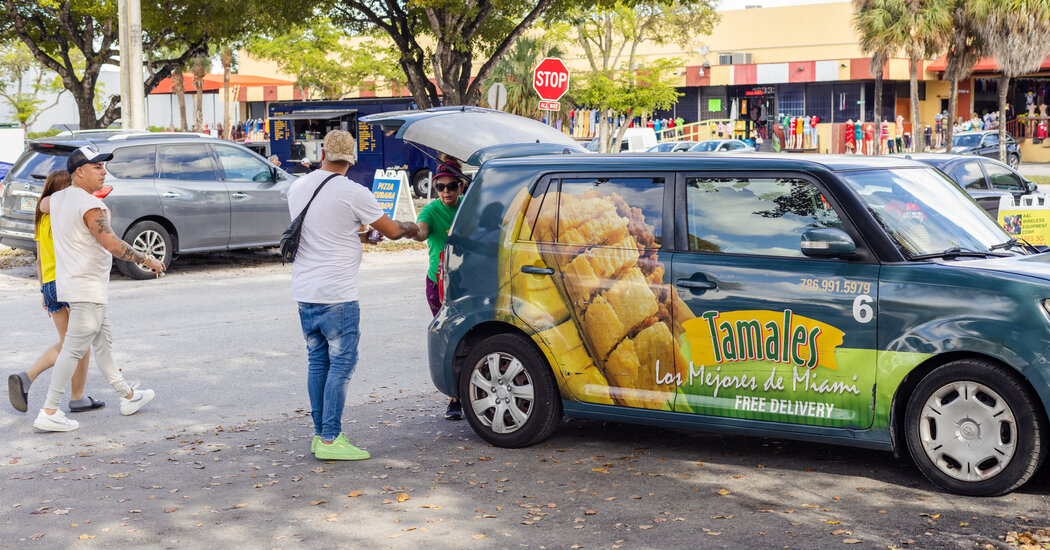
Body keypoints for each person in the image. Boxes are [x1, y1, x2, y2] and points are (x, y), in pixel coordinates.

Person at [288, 130, 419, 460]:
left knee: (318, 363)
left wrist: (358, 235)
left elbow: (323, 230)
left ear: (323, 154)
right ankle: (332, 439)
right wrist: (409, 227)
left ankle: (320, 435)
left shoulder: (297, 187)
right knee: (342, 365)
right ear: (351, 160)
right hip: (338, 295)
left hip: (305, 291)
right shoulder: (353, 192)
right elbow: (390, 231)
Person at [33, 145, 164, 432]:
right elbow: (113, 245)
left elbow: (42, 205)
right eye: (97, 167)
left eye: (104, 166)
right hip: (86, 287)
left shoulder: (57, 199)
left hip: (75, 286)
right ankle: (49, 410)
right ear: (79, 172)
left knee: (103, 345)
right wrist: (147, 259)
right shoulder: (92, 206)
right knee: (73, 349)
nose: (104, 172)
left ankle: (128, 396)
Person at [8, 170, 103, 414]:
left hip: (50, 285)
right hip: (69, 283)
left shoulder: (42, 219)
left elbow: (40, 259)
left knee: (68, 341)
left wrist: (43, 290)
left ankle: (28, 377)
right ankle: (75, 396)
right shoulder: (65, 215)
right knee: (79, 342)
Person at [413, 159, 466, 420]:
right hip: (438, 284)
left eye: (452, 186)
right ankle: (454, 398)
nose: (446, 191)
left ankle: (467, 391)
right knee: (448, 338)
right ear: (435, 188)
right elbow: (422, 230)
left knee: (471, 336)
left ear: (461, 186)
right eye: (441, 186)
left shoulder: (469, 207)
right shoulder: (431, 210)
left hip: (469, 281)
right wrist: (412, 231)